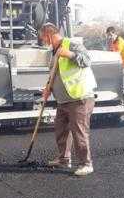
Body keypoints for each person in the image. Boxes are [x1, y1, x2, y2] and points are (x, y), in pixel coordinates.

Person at [40, 23, 97, 177]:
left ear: (49, 35)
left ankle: (86, 164)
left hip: (79, 98)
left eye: (44, 38)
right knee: (61, 130)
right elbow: (54, 74)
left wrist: (70, 55)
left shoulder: (72, 45)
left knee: (79, 132)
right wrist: (48, 89)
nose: (43, 42)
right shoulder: (53, 52)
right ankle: (64, 159)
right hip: (63, 100)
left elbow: (87, 60)